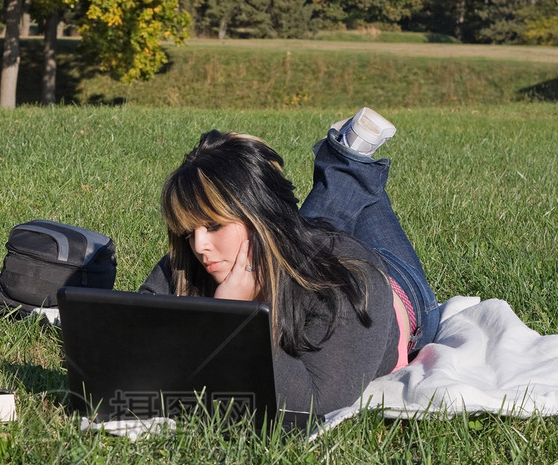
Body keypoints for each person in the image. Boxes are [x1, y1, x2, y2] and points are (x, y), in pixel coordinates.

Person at [138, 108, 440, 417]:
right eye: (188, 232)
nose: (200, 246)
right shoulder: (192, 263)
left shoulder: (350, 281)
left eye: (214, 226)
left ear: (259, 220)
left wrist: (232, 320)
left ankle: (347, 162)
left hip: (400, 293)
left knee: (309, 235)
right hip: (293, 242)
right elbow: (132, 341)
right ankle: (349, 161)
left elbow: (314, 407)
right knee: (304, 229)